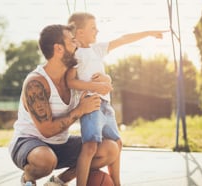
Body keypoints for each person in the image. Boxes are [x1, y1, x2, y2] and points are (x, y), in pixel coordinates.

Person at [8, 24, 120, 186]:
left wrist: (106, 80)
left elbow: (100, 85)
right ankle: (28, 179)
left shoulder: (74, 79)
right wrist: (80, 110)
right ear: (59, 49)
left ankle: (57, 182)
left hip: (61, 144)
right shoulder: (36, 83)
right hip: (29, 143)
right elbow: (46, 131)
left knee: (110, 149)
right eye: (73, 41)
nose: (78, 45)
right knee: (45, 160)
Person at [67, 12, 168, 186]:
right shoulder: (75, 55)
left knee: (118, 143)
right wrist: (95, 86)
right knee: (90, 147)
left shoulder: (96, 49)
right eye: (93, 27)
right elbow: (70, 82)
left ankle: (117, 183)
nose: (97, 30)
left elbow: (123, 39)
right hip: (91, 105)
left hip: (106, 106)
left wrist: (149, 32)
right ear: (80, 32)